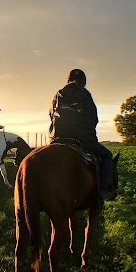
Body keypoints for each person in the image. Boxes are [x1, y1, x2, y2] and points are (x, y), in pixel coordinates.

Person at [48, 69, 113, 201]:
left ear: (68, 80)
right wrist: (89, 136)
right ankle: (103, 190)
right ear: (83, 82)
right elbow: (93, 118)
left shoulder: (59, 93)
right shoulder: (85, 94)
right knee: (107, 156)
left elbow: (51, 114)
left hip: (58, 139)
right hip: (82, 139)